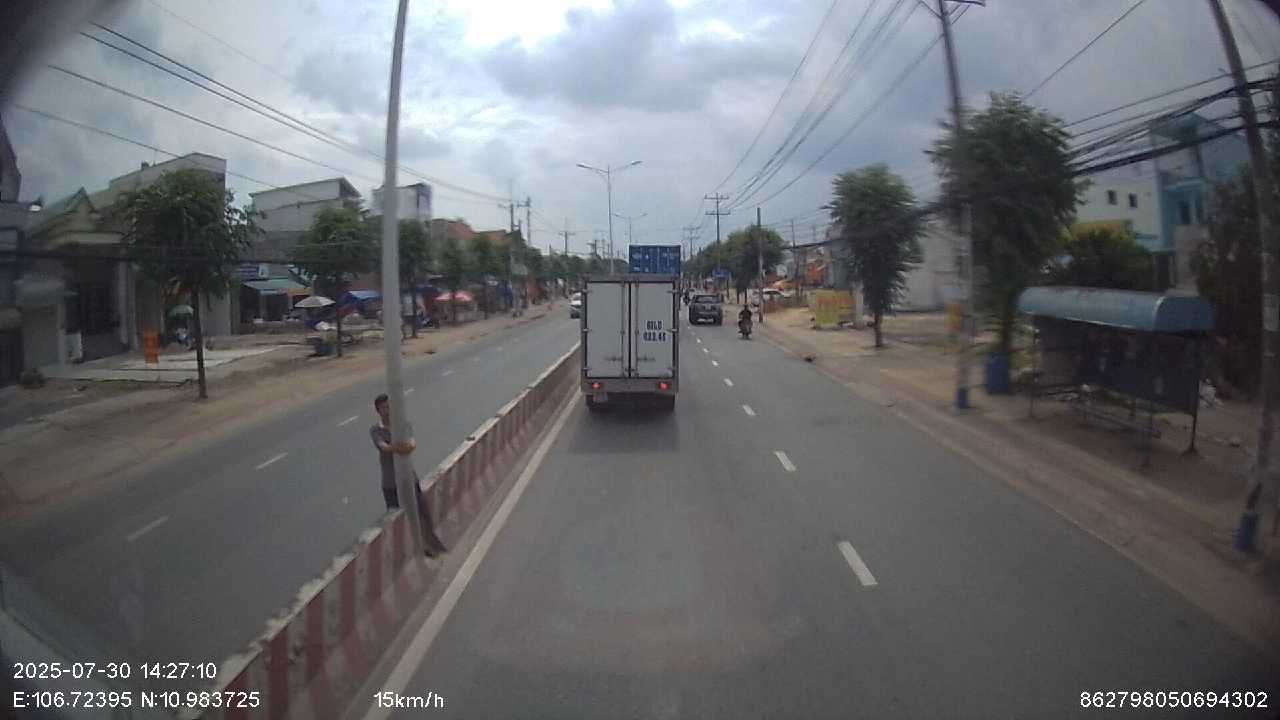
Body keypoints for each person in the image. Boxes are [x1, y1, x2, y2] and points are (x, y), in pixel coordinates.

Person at [370, 393, 417, 510]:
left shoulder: (403, 424)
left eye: (388, 407)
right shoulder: (376, 430)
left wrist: (396, 448)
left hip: (409, 479)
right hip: (391, 482)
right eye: (383, 408)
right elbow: (384, 447)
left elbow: (412, 444)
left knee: (421, 512)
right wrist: (400, 448)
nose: (387, 411)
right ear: (378, 411)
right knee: (395, 515)